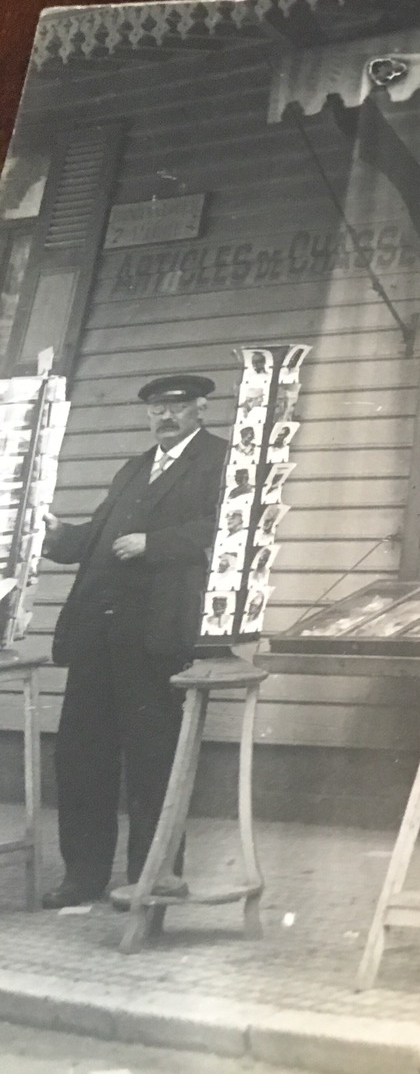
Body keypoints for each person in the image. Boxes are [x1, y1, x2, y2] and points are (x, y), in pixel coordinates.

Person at [40, 374, 230, 909]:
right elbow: (99, 538)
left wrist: (157, 543)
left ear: (200, 408)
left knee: (153, 760)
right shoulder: (134, 468)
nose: (164, 417)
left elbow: (233, 529)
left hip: (156, 637)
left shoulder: (222, 461)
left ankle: (151, 882)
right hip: (97, 635)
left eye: (176, 407)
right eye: (155, 410)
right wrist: (58, 536)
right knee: (81, 757)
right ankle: (83, 876)